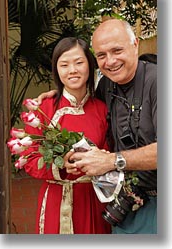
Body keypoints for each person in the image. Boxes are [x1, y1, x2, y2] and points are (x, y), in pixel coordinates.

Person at [37, 19, 157, 234]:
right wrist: (59, 96)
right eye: (101, 55)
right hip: (121, 202)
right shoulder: (107, 85)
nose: (110, 61)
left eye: (117, 50)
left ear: (135, 44)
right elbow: (84, 103)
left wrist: (112, 160)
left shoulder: (159, 82)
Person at [23, 37, 111, 234]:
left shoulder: (102, 108)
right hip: (56, 199)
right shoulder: (44, 109)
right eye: (64, 65)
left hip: (94, 199)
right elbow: (29, 159)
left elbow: (110, 153)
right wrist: (60, 166)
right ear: (57, 70)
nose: (72, 70)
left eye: (79, 62)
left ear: (89, 64)